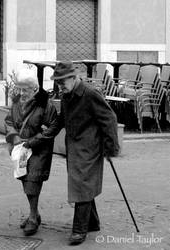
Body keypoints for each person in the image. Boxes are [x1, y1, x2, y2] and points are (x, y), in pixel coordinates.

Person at [50, 61, 120, 245]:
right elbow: (61, 120)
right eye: (57, 83)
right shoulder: (67, 95)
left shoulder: (90, 93)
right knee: (83, 184)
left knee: (81, 184)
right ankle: (93, 223)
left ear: (73, 78)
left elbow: (109, 119)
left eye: (62, 82)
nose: (60, 86)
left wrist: (110, 147)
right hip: (74, 147)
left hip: (90, 147)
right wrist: (46, 135)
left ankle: (79, 230)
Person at [5, 68, 59, 236]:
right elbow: (8, 120)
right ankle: (34, 214)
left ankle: (33, 218)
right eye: (19, 88)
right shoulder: (16, 101)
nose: (21, 93)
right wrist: (14, 136)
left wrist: (32, 142)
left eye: (25, 89)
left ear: (35, 88)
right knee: (24, 179)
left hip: (38, 150)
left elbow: (52, 128)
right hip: (20, 149)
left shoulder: (45, 104)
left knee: (32, 182)